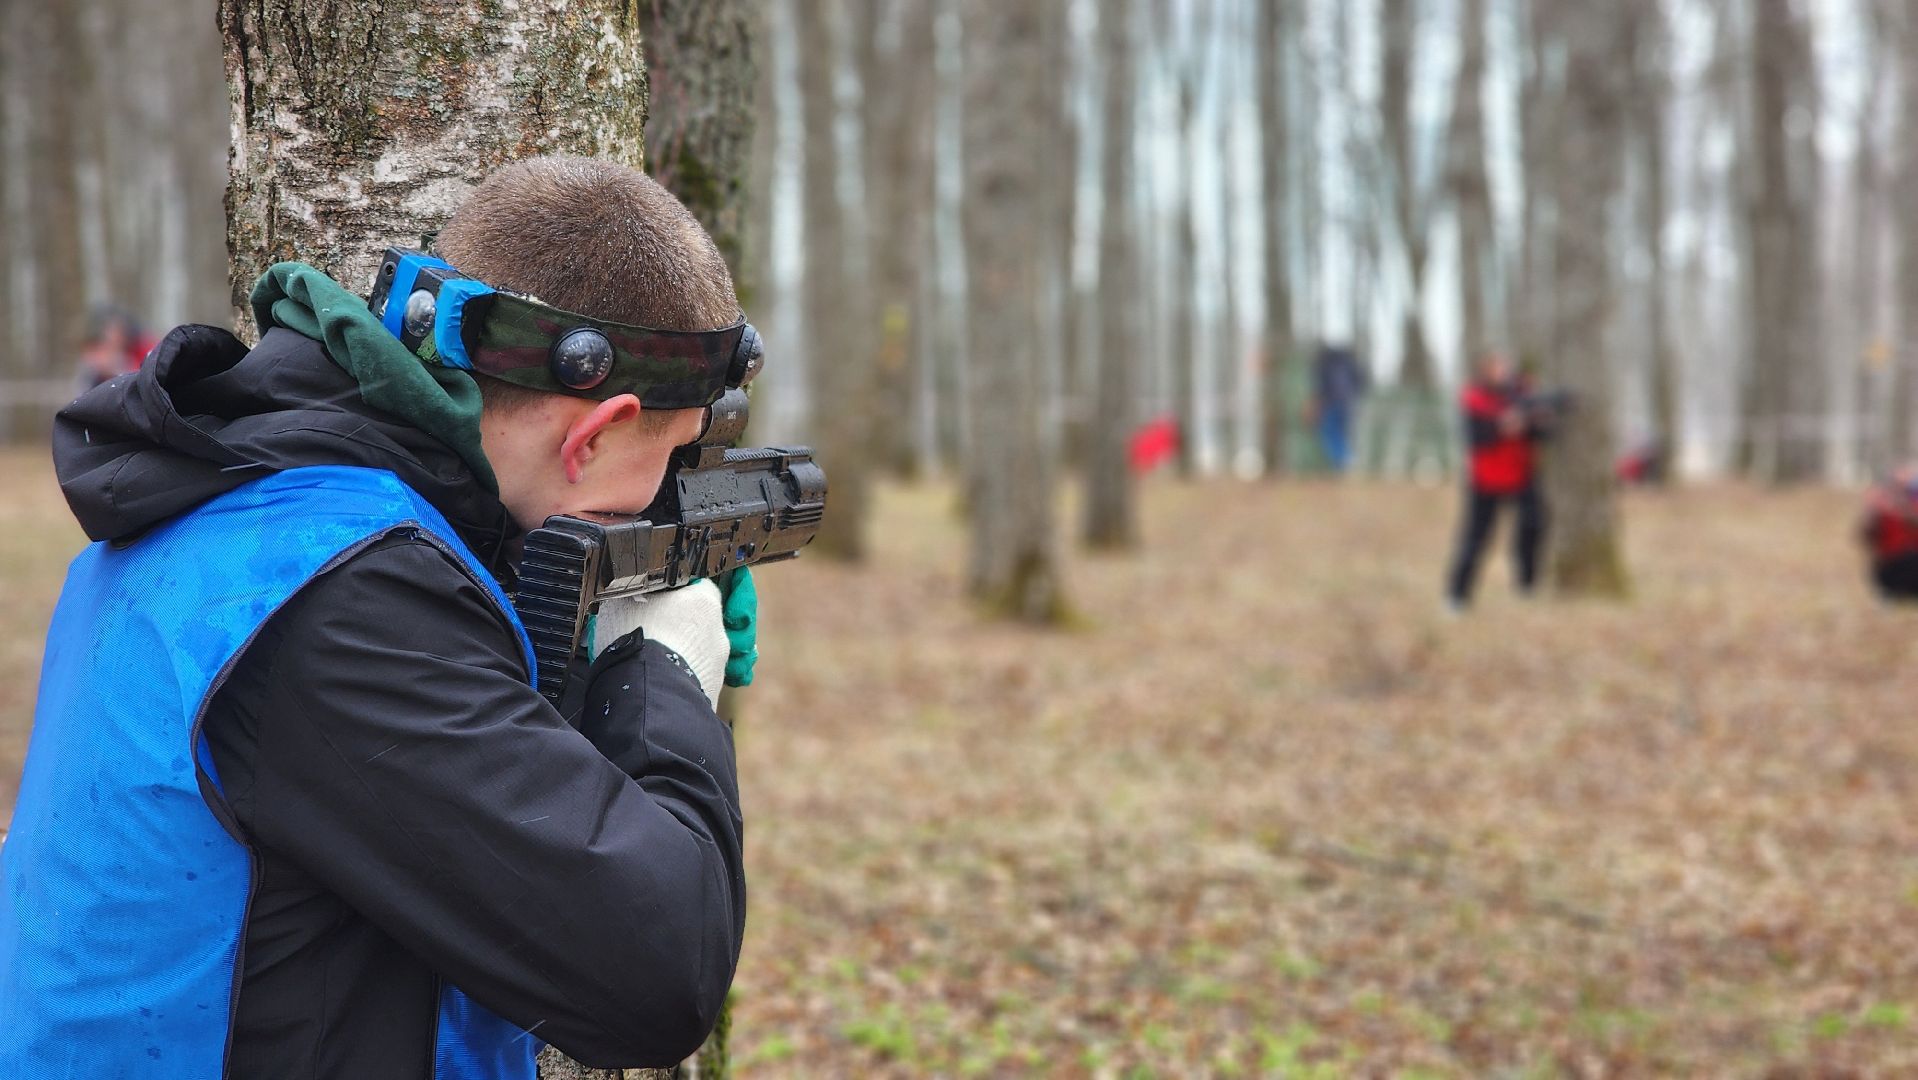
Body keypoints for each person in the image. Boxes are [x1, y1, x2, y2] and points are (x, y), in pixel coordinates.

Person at [0, 158, 753, 1078]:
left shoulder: (244, 501)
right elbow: (662, 978)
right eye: (668, 457)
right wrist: (663, 674)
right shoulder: (345, 608)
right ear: (595, 433)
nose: (658, 497)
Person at [1446, 351, 1549, 610]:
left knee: (1533, 526)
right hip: (1485, 480)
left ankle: (1527, 585)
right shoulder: (1474, 398)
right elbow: (1474, 437)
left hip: (1521, 476)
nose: (1502, 372)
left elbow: (1543, 433)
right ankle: (1456, 597)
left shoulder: (1523, 394)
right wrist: (1502, 427)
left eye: (1505, 367)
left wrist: (1535, 421)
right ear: (1485, 370)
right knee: (1475, 539)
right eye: (1496, 367)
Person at [70, 303, 157, 394]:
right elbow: (83, 394)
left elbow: (145, 382)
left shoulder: (144, 349)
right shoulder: (92, 365)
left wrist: (115, 370)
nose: (112, 336)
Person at [1861, 466, 1918, 600]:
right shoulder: (1882, 507)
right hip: (1892, 565)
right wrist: (1871, 513)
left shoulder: (1911, 505)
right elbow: (1867, 536)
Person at [1311, 342, 1367, 473]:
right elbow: (1360, 381)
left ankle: (1343, 460)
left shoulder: (1323, 365)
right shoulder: (1348, 363)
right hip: (1349, 402)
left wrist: (1317, 403)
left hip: (1331, 403)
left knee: (1330, 432)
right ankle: (1345, 460)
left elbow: (1320, 387)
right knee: (1342, 432)